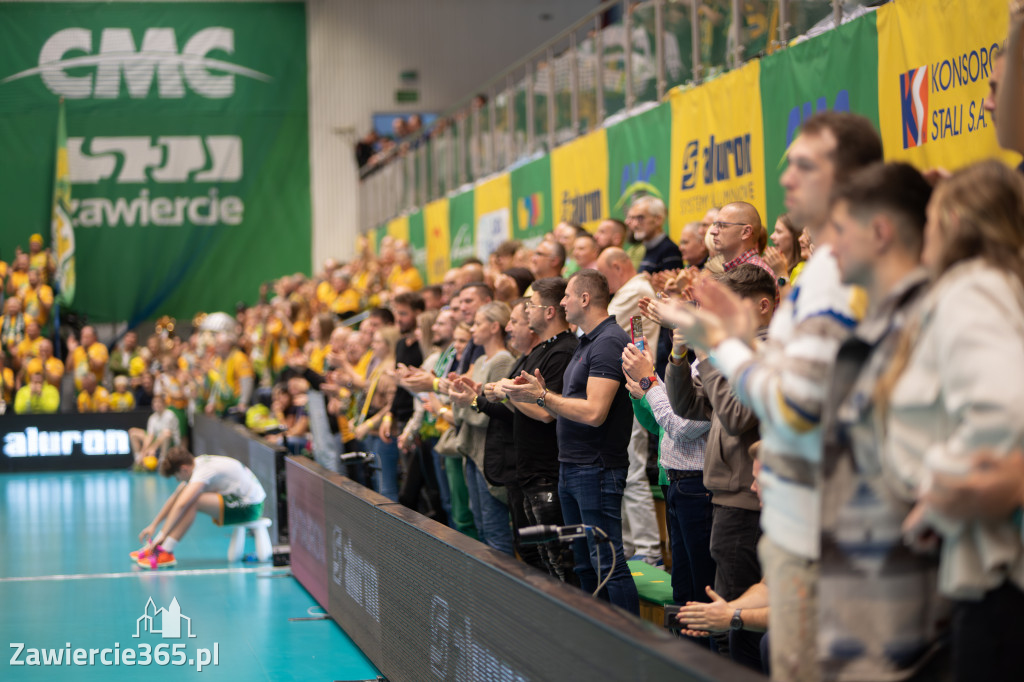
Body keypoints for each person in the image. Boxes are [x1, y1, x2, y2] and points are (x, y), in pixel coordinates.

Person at [656, 111, 882, 681]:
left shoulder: (845, 290)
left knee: (763, 638)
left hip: (816, 505)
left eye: (803, 167)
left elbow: (748, 411)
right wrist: (691, 353)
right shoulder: (814, 290)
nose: (786, 181)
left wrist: (714, 350)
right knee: (745, 625)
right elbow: (697, 408)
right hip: (759, 494)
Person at [880, 160, 1024, 681]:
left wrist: (938, 491)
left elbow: (1003, 408)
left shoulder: (971, 289)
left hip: (995, 574)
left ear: (955, 219)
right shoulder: (998, 284)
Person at [817, 161, 947, 680]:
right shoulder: (880, 327)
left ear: (880, 232)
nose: (829, 248)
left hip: (910, 630)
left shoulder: (934, 319)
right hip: (864, 618)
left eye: (840, 232)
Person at [658, 263, 776, 670]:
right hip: (728, 497)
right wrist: (679, 356)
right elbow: (689, 406)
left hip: (748, 501)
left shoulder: (767, 351)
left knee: (735, 622)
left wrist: (708, 353)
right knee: (728, 616)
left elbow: (736, 414)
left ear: (763, 306)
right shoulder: (738, 351)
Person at [505, 270, 640, 615]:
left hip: (595, 466)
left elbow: (595, 412)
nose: (561, 302)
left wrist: (543, 397)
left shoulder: (609, 341)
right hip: (572, 466)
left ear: (584, 299)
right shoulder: (587, 341)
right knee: (582, 564)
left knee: (606, 561)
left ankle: (633, 643)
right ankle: (595, 637)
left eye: (566, 295)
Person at [596, 247, 663, 567]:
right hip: (629, 390)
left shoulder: (635, 290)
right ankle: (632, 545)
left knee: (634, 471)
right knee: (627, 469)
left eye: (603, 274)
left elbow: (594, 324)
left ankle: (649, 550)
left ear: (619, 266)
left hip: (637, 388)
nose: (602, 284)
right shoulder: (631, 289)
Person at [448, 302, 515, 554]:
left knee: (494, 528)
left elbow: (490, 413)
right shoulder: (482, 360)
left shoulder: (502, 360)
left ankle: (503, 590)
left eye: (477, 324)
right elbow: (469, 409)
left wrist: (468, 401)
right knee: (481, 525)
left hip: (490, 451)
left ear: (494, 326)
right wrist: (463, 397)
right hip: (475, 450)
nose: (472, 329)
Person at [133, 446, 267, 569]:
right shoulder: (197, 463)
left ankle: (166, 551)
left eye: (176, 475)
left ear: (184, 469)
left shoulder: (202, 472)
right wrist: (154, 525)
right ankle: (160, 548)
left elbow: (181, 504)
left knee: (193, 500)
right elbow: (176, 497)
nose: (177, 480)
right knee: (187, 496)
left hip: (251, 507)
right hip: (242, 500)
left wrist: (162, 535)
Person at [628, 196, 683, 274]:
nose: (635, 224)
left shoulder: (670, 251)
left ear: (658, 219)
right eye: (632, 218)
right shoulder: (642, 249)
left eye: (640, 218)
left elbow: (669, 285)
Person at [130, 394, 182, 468]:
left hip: (171, 442)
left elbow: (165, 434)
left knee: (166, 433)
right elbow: (150, 436)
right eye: (155, 402)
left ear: (164, 404)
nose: (157, 404)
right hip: (157, 440)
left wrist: (152, 448)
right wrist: (143, 452)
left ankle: (163, 462)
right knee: (133, 432)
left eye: (159, 402)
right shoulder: (152, 417)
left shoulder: (170, 415)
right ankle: (138, 460)